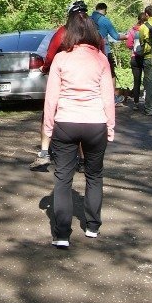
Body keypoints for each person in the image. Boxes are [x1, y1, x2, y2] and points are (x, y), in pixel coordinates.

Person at [42, 12, 115, 248]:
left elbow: (51, 98)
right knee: (94, 175)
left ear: (69, 32)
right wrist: (110, 127)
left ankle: (62, 234)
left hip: (66, 122)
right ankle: (92, 226)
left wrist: (48, 127)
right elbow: (108, 98)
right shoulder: (101, 59)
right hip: (96, 123)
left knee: (63, 178)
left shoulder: (61, 59)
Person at [34, 0, 88, 170]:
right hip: (88, 80)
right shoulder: (94, 33)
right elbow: (101, 53)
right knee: (84, 116)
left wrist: (45, 68)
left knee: (49, 112)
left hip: (64, 78)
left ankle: (44, 153)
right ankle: (82, 158)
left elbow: (50, 55)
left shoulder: (63, 32)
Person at [124, 12, 149, 107]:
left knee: (136, 81)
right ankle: (148, 102)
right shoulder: (148, 30)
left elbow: (129, 45)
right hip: (146, 57)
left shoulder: (132, 31)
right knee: (147, 79)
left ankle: (136, 103)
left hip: (135, 57)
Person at [91, 3, 121, 80]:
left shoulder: (88, 19)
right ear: (104, 9)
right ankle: (111, 92)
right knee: (111, 74)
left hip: (90, 52)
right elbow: (116, 36)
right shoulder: (104, 20)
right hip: (105, 51)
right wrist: (129, 36)